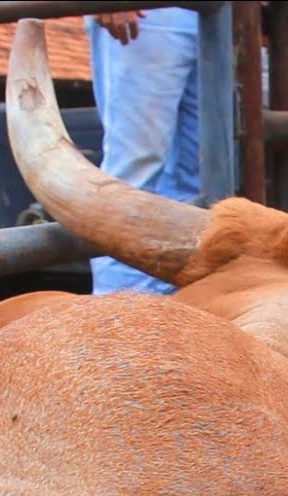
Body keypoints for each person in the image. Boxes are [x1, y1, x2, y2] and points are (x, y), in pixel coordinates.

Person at [84, 8, 200, 296]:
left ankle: (182, 307)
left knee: (204, 176)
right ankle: (118, 311)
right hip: (150, 13)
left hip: (225, 15)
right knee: (134, 171)